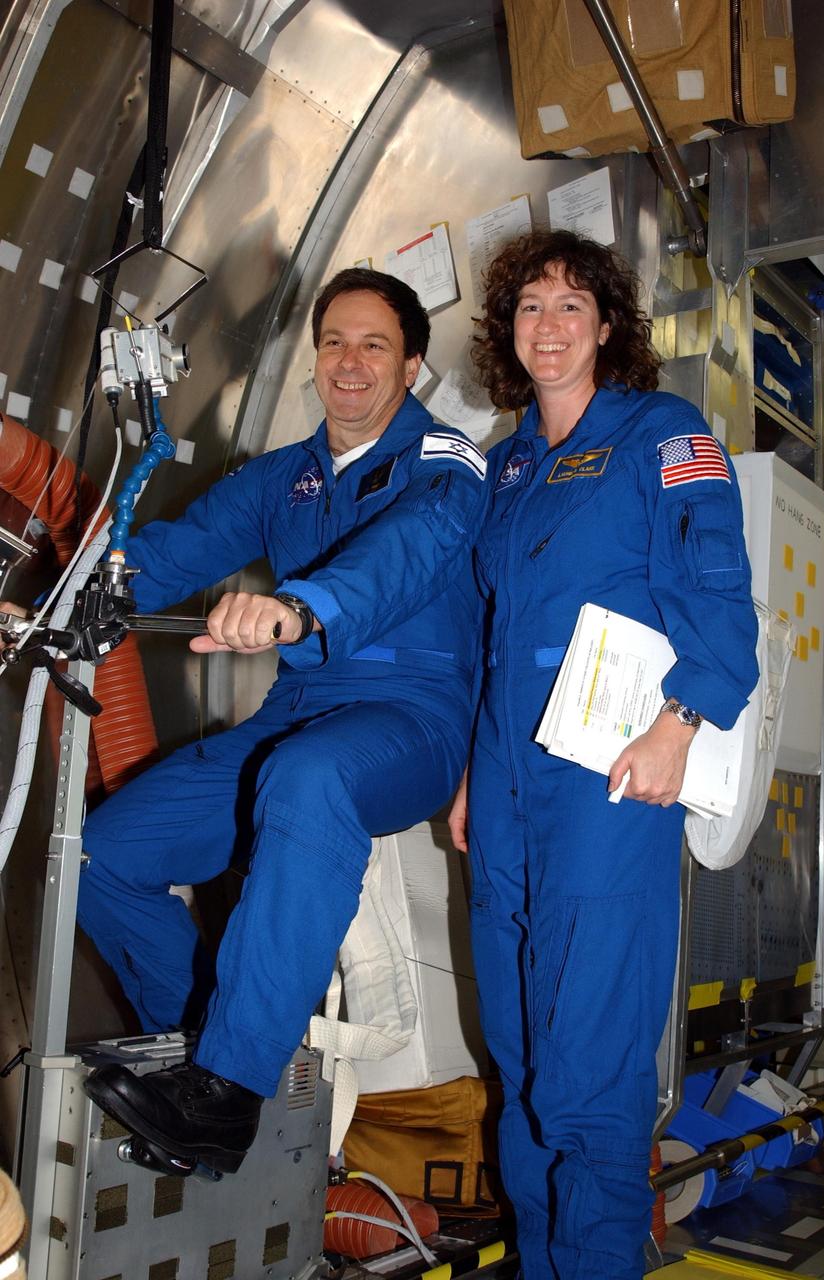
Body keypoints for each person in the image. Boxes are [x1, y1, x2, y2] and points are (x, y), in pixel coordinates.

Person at [80, 267, 489, 1174]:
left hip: (410, 717)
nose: (349, 362)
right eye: (333, 342)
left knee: (309, 777)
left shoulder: (446, 462)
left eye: (374, 345)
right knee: (101, 856)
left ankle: (229, 1088)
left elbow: (405, 552)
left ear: (411, 367)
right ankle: (191, 1057)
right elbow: (174, 552)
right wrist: (65, 597)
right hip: (295, 716)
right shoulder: (285, 478)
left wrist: (300, 610)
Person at [449, 230, 758, 1280]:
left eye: (571, 305)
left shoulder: (662, 433)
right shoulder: (507, 464)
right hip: (504, 776)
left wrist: (683, 721)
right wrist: (469, 769)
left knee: (588, 1065)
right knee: (521, 1059)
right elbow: (491, 633)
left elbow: (719, 591)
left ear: (608, 325)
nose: (549, 325)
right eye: (530, 306)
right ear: (508, 330)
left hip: (608, 771)